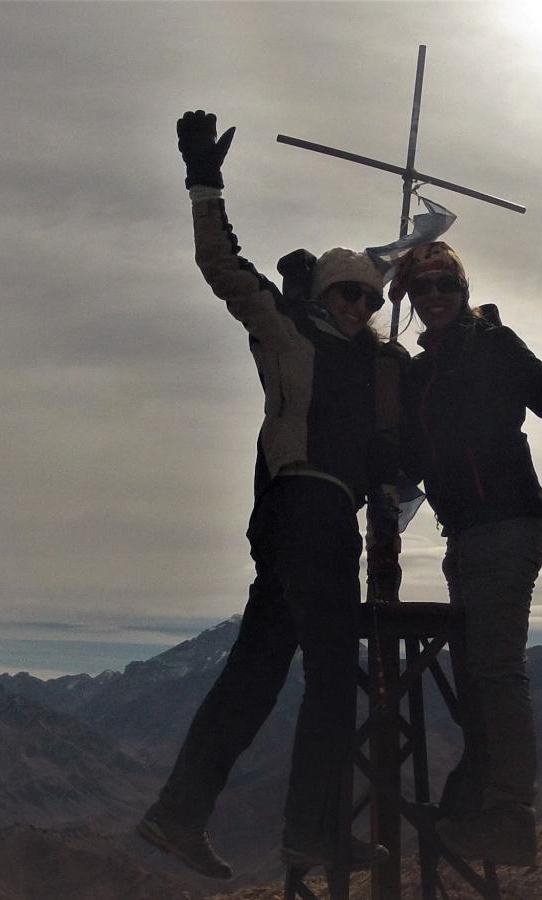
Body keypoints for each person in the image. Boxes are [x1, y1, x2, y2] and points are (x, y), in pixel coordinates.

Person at [136, 110, 391, 877]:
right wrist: (204, 182)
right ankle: (311, 834)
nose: (358, 309)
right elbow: (222, 266)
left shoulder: (369, 366)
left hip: (296, 521)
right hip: (309, 512)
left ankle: (177, 815)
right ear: (322, 290)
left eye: (370, 301)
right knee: (332, 682)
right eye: (348, 294)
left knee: (254, 675)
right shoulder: (286, 331)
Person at [393, 241, 542, 866]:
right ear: (410, 301)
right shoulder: (417, 373)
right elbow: (409, 460)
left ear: (463, 290)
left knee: (493, 669)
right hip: (464, 533)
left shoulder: (492, 342)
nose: (435, 296)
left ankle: (509, 815)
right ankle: (479, 800)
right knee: (475, 673)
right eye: (423, 289)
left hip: (510, 521)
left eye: (445, 284)